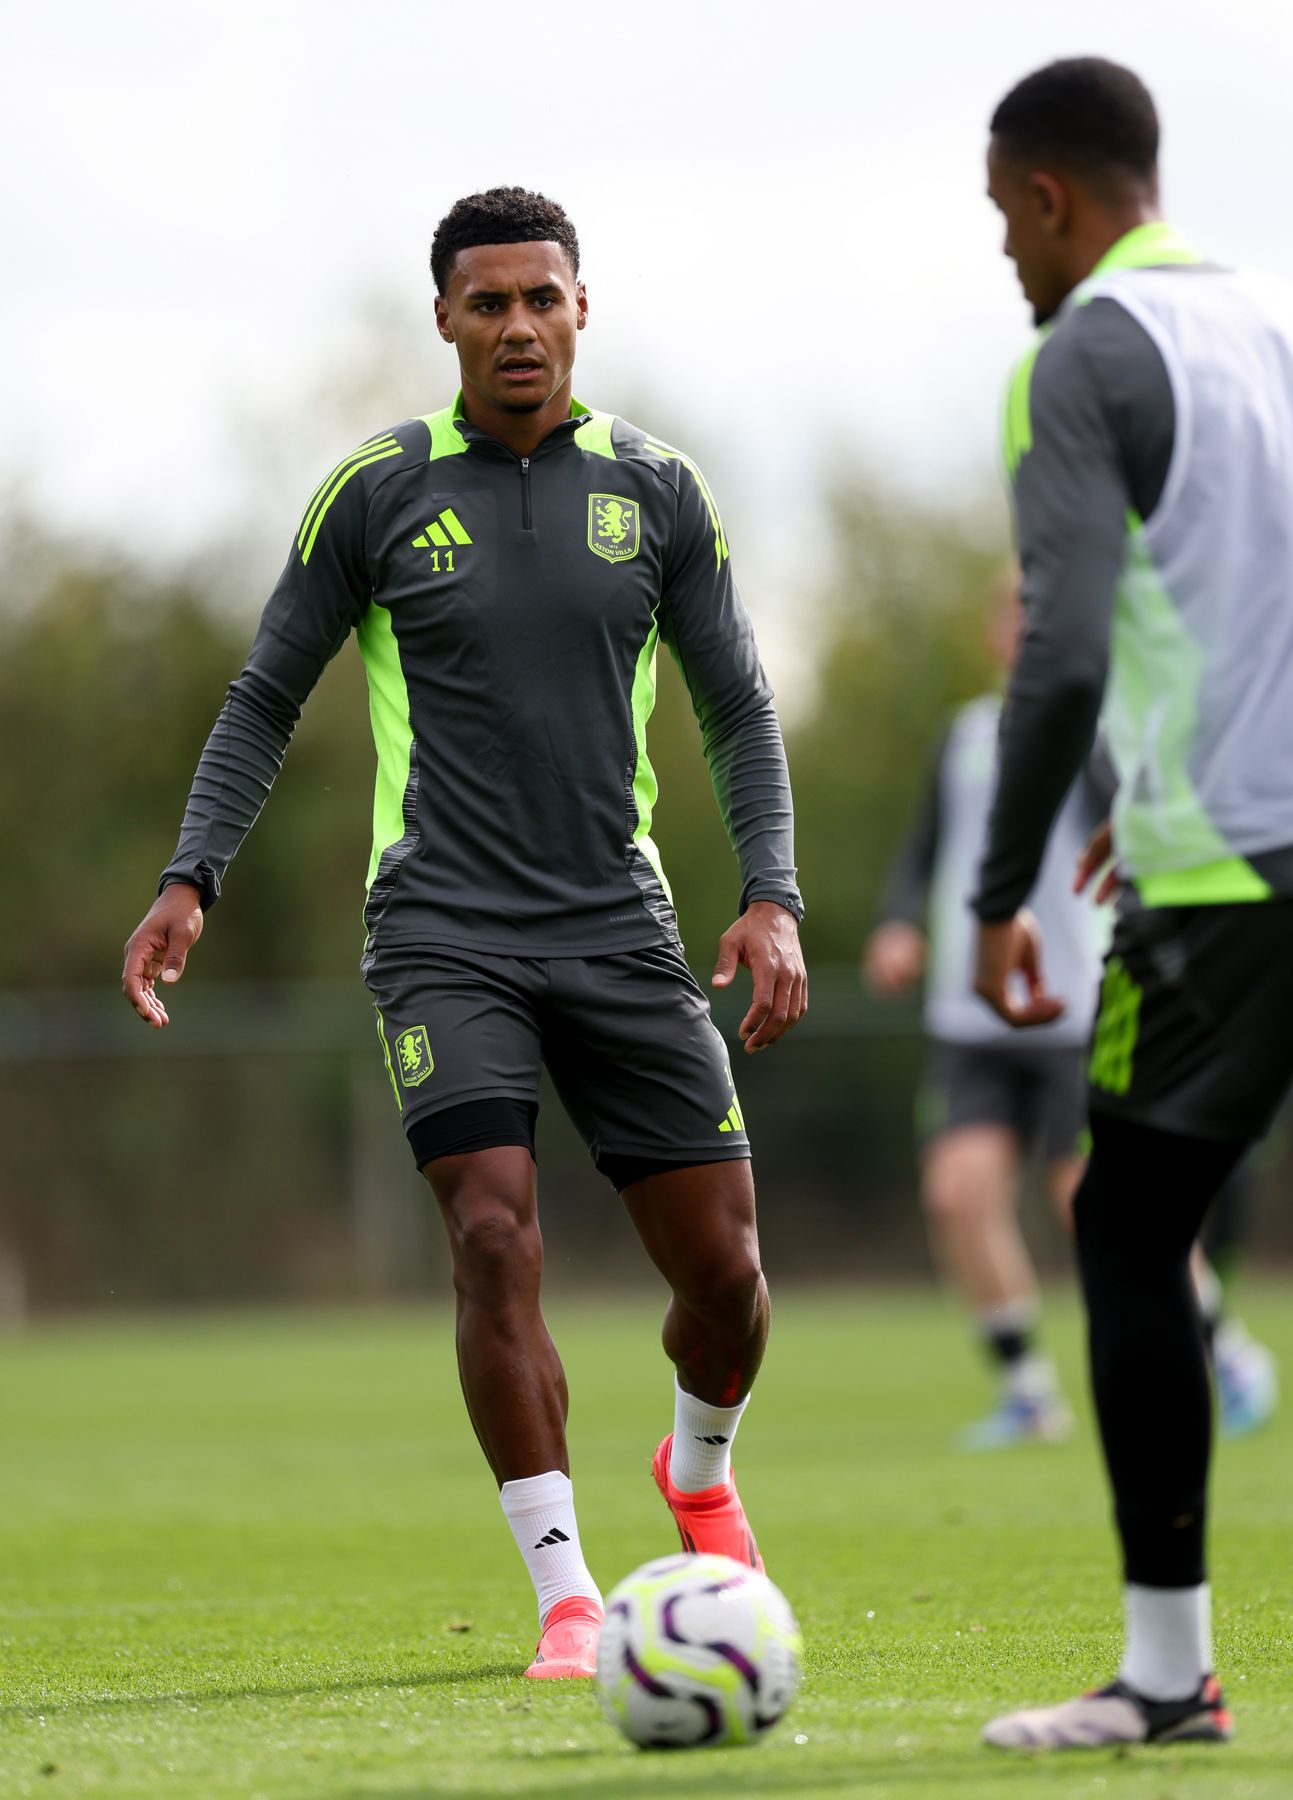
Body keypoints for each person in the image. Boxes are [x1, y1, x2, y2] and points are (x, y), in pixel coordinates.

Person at [121, 188, 807, 1682]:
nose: (516, 326)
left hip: (621, 930)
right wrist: (193, 877)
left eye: (539, 298)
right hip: (443, 929)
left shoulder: (659, 489)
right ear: (442, 319)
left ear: (581, 308)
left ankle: (695, 1471)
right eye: (485, 302)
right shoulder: (373, 493)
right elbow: (262, 696)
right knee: (492, 1236)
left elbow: (739, 707)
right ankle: (568, 1597)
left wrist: (771, 895)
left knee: (728, 1279)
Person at [972, 58, 1293, 1750]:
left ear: (1047, 198)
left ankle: (1166, 1677)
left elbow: (1065, 647)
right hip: (1227, 821)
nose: (1005, 260)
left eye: (999, 222)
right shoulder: (1273, 317)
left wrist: (998, 882)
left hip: (1230, 872)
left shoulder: (1080, 351)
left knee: (1123, 1226)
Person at [864, 574, 1105, 1447]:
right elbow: (924, 849)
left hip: (1071, 1008)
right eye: (1011, 608)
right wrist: (897, 922)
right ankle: (1028, 1392)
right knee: (957, 1192)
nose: (1024, 623)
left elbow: (1135, 847)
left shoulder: (1093, 730)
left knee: (1095, 1207)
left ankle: (1215, 1343)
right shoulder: (961, 734)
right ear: (990, 629)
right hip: (972, 1016)